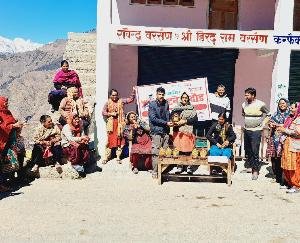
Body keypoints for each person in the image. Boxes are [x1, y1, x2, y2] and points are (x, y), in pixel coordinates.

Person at [102, 87, 136, 164]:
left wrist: (133, 91)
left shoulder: (121, 101)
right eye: (113, 95)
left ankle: (118, 157)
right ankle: (106, 157)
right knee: (109, 141)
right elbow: (103, 112)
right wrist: (111, 113)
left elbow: (130, 99)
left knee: (120, 140)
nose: (115, 97)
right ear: (110, 95)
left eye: (116, 95)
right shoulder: (107, 103)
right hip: (111, 125)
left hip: (120, 124)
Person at [242, 87, 270, 180]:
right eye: (245, 94)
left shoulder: (261, 104)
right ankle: (250, 167)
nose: (245, 96)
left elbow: (269, 115)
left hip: (256, 131)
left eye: (247, 95)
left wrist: (262, 124)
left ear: (253, 95)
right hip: (247, 130)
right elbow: (243, 114)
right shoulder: (244, 104)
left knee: (255, 150)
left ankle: (255, 170)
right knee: (248, 149)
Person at [0, 96, 24, 191]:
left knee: (7, 161)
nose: (7, 104)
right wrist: (13, 126)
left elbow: (12, 122)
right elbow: (2, 126)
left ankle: (5, 181)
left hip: (10, 141)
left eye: (7, 102)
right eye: (5, 102)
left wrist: (18, 125)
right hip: (2, 141)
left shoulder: (8, 112)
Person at [149, 87, 173, 179]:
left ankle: (163, 170)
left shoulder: (166, 103)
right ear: (156, 94)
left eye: (163, 94)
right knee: (156, 152)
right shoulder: (152, 104)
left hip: (165, 131)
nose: (161, 96)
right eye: (159, 94)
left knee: (165, 151)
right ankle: (155, 171)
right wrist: (166, 123)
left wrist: (172, 121)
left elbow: (167, 115)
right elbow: (153, 118)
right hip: (156, 131)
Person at [276, 102, 300, 193]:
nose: (290, 109)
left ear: (298, 109)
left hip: (295, 146)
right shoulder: (291, 118)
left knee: (295, 166)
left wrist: (284, 130)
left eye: (293, 108)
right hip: (288, 145)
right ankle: (290, 183)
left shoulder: (299, 119)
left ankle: (297, 185)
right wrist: (279, 126)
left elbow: (297, 132)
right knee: (287, 165)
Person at [171, 92, 198, 174]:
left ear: (188, 99)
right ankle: (180, 166)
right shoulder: (176, 108)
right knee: (179, 149)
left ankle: (189, 167)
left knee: (189, 150)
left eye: (186, 97)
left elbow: (195, 120)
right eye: (183, 97)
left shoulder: (192, 108)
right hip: (178, 131)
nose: (185, 99)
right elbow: (171, 117)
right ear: (181, 98)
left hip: (188, 132)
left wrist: (185, 121)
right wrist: (176, 121)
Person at [266, 98, 290, 186]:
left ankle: (285, 178)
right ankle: (277, 176)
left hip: (286, 139)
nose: (282, 105)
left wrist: (278, 125)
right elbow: (270, 123)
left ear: (287, 104)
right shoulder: (275, 114)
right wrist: (270, 124)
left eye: (283, 103)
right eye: (280, 104)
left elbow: (290, 126)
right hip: (275, 138)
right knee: (275, 158)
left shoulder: (290, 115)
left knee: (284, 158)